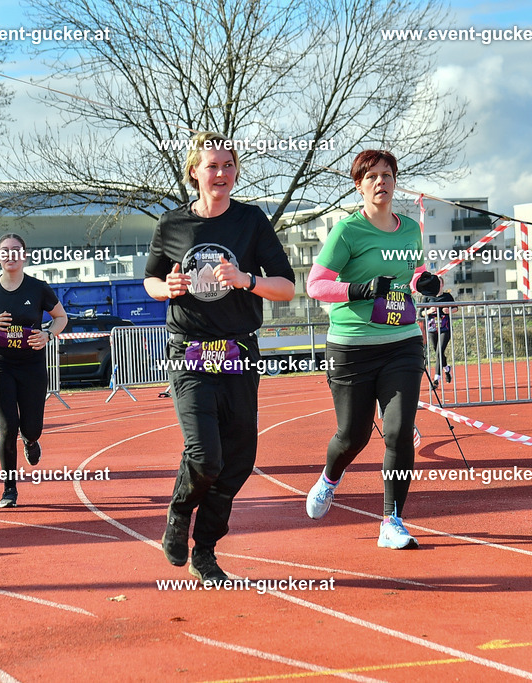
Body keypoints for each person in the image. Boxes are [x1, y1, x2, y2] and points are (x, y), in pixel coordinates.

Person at [144, 131, 295, 583]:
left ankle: (204, 549)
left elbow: (286, 287)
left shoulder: (251, 221)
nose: (222, 174)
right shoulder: (171, 226)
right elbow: (150, 281)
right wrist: (164, 289)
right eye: (212, 166)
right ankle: (179, 514)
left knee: (239, 459)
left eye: (229, 166)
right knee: (205, 455)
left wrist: (246, 279)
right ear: (195, 172)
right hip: (189, 351)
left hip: (238, 350)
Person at [304, 149, 442, 549]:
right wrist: (360, 290)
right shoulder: (347, 232)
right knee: (353, 435)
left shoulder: (409, 230)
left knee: (398, 433)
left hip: (401, 342)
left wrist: (424, 284)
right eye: (372, 177)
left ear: (395, 181)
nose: (381, 182)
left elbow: (413, 273)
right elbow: (316, 285)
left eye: (387, 175)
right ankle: (330, 478)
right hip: (352, 346)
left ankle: (392, 520)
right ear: (359, 186)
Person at [0, 234, 68, 508]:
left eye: (15, 250)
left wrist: (47, 334)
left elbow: (61, 318)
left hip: (32, 364)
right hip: (0, 364)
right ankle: (9, 490)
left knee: (31, 427)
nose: (10, 255)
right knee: (7, 427)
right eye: (4, 251)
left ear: (24, 256)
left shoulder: (38, 288)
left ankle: (31, 441)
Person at [423, 290, 457, 387]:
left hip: (444, 328)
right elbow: (421, 313)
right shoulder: (427, 297)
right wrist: (429, 311)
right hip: (432, 328)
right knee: (438, 352)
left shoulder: (447, 296)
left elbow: (456, 308)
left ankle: (436, 378)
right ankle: (446, 368)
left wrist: (449, 310)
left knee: (439, 352)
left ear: (442, 285)